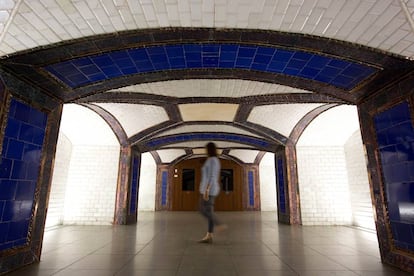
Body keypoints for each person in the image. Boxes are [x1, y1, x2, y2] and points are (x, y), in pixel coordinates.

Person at [198, 142, 226, 243]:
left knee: (202, 210)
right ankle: (209, 236)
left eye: (206, 149)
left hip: (209, 190)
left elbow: (212, 176)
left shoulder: (213, 160)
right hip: (207, 189)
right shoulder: (211, 160)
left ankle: (218, 224)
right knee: (208, 211)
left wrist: (207, 190)